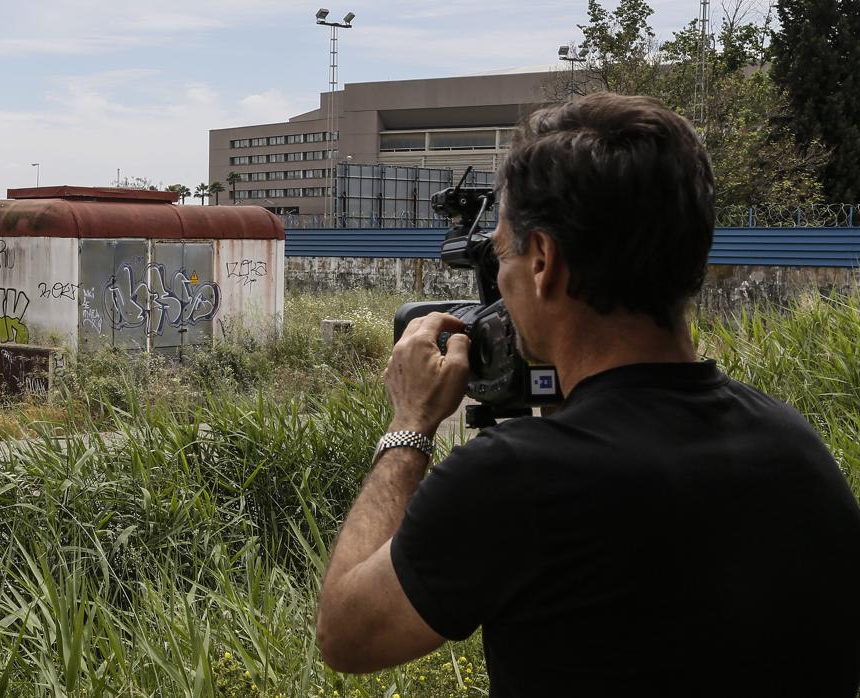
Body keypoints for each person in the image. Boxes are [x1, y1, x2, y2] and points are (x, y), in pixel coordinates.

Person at [314, 93, 860, 696]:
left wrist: (411, 423)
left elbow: (346, 633)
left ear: (543, 259)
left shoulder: (515, 479)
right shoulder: (797, 452)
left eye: (501, 254)